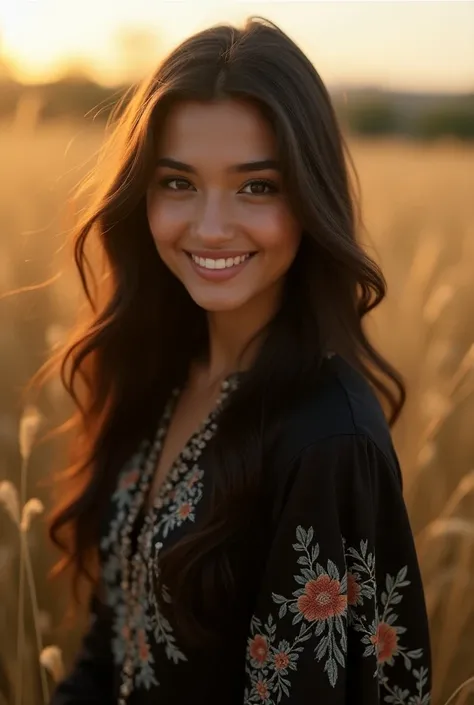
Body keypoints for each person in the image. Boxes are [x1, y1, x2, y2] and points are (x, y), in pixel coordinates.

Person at [45, 15, 431, 705]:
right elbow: (109, 650)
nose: (212, 225)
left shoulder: (327, 440)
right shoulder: (156, 371)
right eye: (177, 182)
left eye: (257, 186)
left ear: (310, 201)